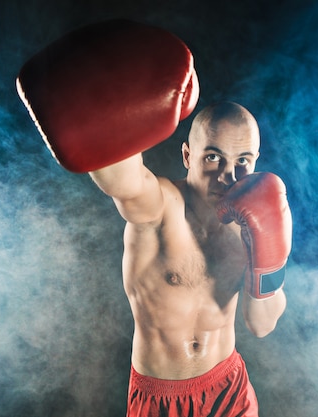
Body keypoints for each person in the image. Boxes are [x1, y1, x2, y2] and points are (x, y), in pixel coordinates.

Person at [16, 19, 292, 417]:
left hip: (229, 391)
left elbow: (261, 325)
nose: (228, 176)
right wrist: (90, 91)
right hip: (161, 400)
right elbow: (119, 177)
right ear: (187, 156)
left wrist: (270, 258)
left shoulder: (252, 224)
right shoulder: (161, 206)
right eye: (213, 157)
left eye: (243, 162)